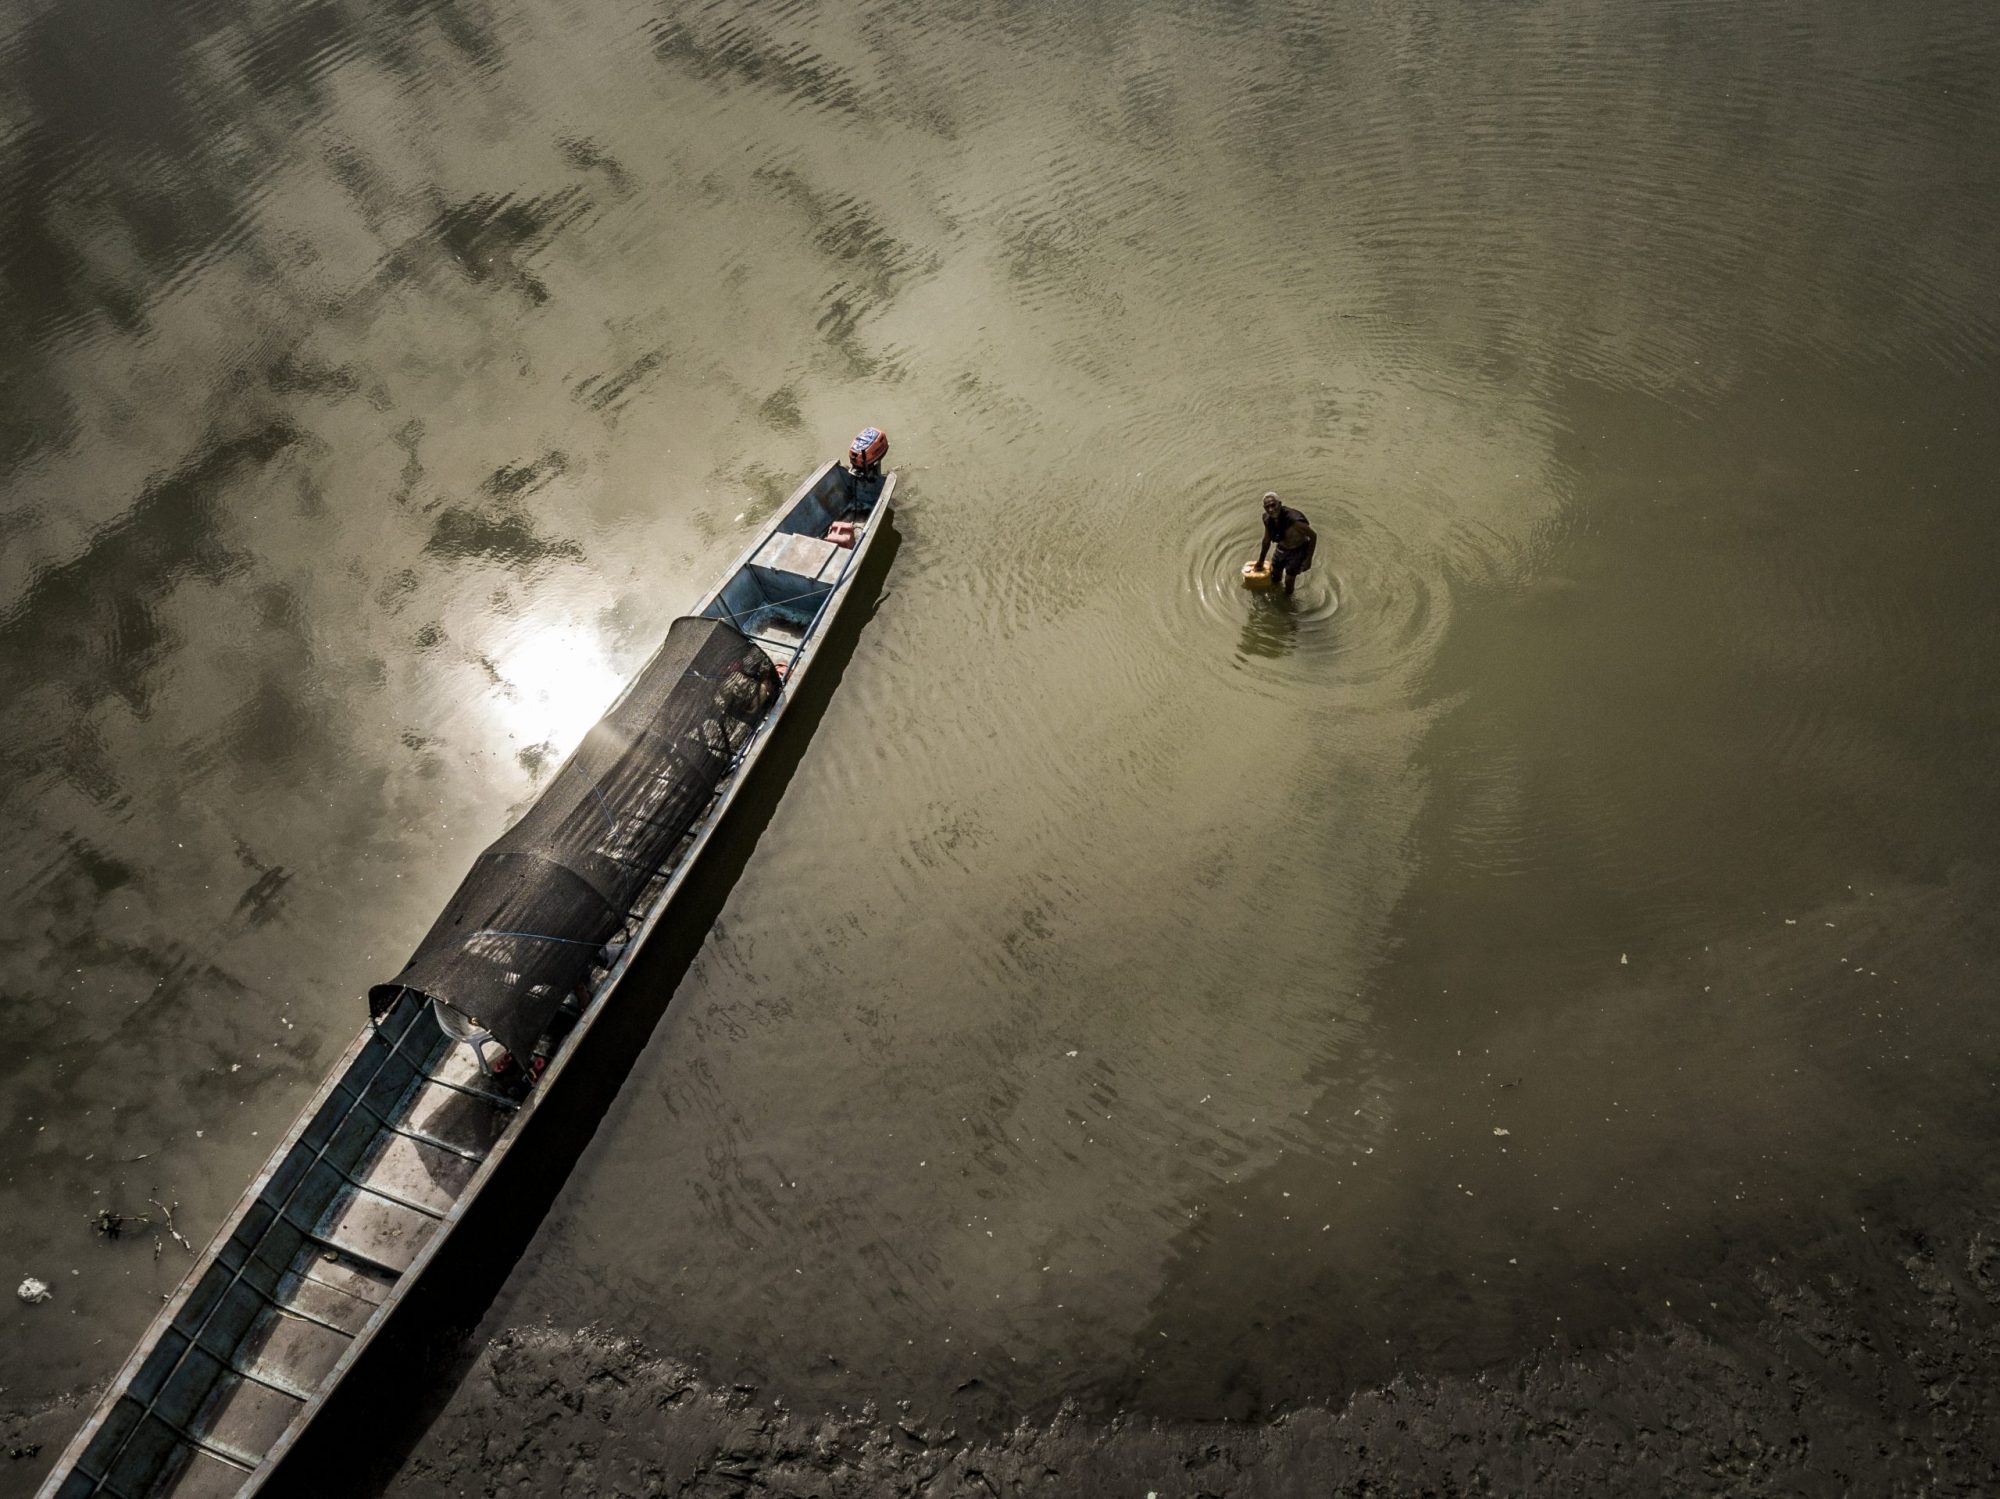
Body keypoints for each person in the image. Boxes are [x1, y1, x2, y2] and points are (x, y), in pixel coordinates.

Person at [1256, 491, 1316, 596]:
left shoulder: (1294, 520)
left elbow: (1313, 536)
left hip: (1297, 550)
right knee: (1275, 576)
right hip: (1281, 548)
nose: (1271, 509)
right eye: (1267, 507)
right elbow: (1266, 540)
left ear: (1279, 504)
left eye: (1273, 505)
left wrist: (1308, 559)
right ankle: (1275, 595)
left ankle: (1287, 600)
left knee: (1289, 580)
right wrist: (1260, 561)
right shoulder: (1267, 519)